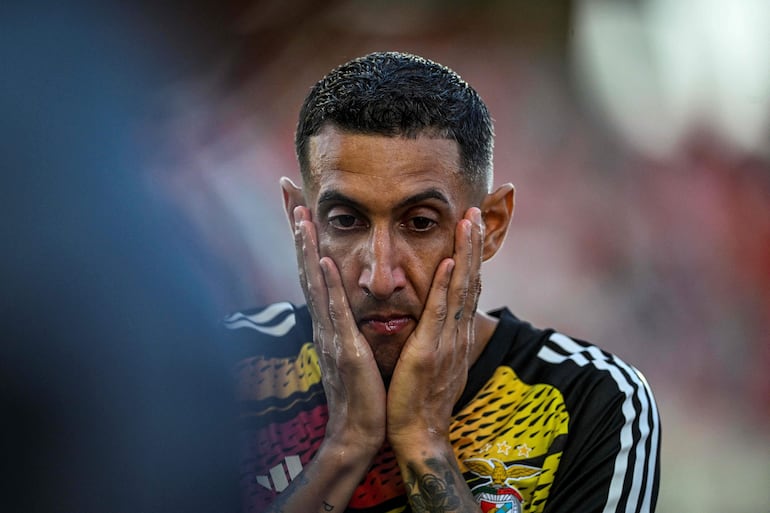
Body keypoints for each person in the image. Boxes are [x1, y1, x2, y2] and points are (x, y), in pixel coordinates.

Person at [225, 51, 660, 513]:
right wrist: (347, 445)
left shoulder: (590, 399)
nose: (380, 277)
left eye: (420, 223)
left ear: (491, 225)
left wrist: (422, 439)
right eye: (346, 220)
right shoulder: (223, 367)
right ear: (300, 219)